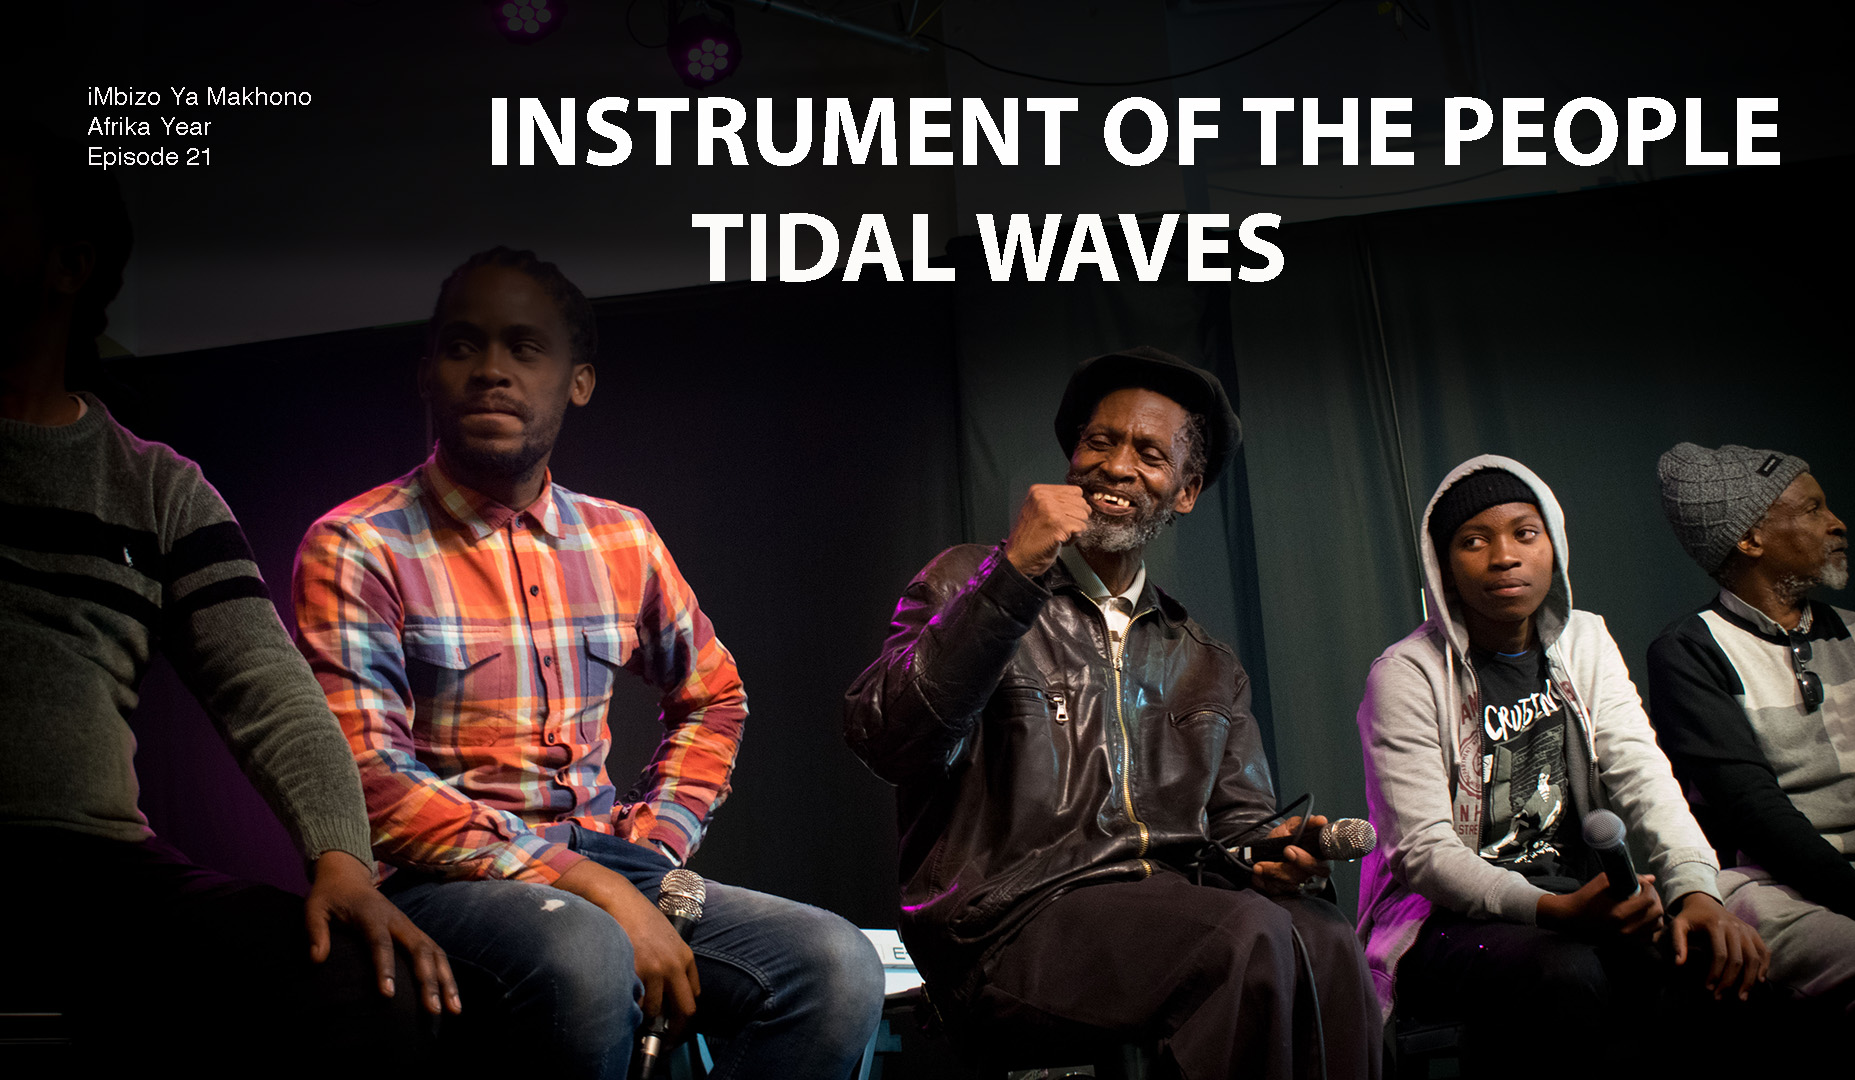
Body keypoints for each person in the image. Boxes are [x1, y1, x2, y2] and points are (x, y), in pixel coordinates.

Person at [292, 246, 883, 1080]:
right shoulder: (357, 544)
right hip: (439, 880)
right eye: (463, 346)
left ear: (578, 382)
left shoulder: (623, 538)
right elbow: (367, 779)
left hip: (612, 858)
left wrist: (658, 843)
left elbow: (713, 696)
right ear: (427, 374)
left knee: (835, 966)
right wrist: (595, 889)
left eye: (525, 347)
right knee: (584, 952)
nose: (491, 369)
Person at [1, 130, 454, 1074]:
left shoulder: (155, 488)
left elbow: (270, 692)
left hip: (94, 869)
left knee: (369, 984)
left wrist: (342, 862)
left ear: (67, 266)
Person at [845, 347, 1382, 1079]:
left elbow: (1238, 830)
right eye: (1100, 442)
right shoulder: (968, 581)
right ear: (1072, 458)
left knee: (1326, 940)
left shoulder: (1206, 662)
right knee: (1244, 936)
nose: (1118, 466)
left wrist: (1277, 855)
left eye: (1149, 454)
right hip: (1006, 923)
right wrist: (1013, 575)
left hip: (1170, 913)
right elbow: (888, 738)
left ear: (1185, 492)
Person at [1355, 455, 1767, 1076]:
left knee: (1704, 958)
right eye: (1474, 541)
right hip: (1444, 922)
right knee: (1566, 973)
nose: (1504, 557)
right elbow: (1423, 852)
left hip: (1579, 899)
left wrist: (1696, 891)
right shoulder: (1406, 674)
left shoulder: (1586, 640)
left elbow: (1642, 773)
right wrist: (1555, 912)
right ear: (1444, 569)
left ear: (1554, 544)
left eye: (1525, 533)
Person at [1647, 442, 1855, 1021]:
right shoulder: (1691, 650)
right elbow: (1753, 811)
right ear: (1750, 539)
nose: (1837, 523)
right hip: (1763, 889)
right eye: (1813, 509)